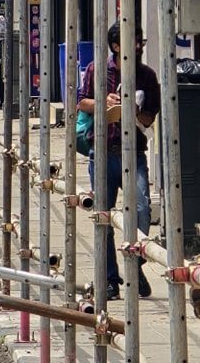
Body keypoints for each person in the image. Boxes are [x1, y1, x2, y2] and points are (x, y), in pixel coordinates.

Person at [77, 21, 159, 301]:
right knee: (104, 216)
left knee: (142, 207)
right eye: (131, 42)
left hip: (133, 152)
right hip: (101, 151)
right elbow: (82, 102)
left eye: (140, 42)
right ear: (115, 46)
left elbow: (150, 116)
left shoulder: (147, 76)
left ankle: (136, 264)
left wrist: (133, 110)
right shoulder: (97, 70)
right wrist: (104, 101)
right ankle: (111, 279)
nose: (137, 47)